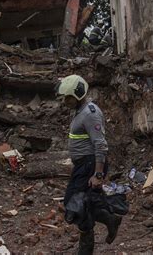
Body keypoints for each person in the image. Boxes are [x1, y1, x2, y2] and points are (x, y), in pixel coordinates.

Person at [57, 75, 122, 254]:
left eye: (68, 97)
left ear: (77, 95)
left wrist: (98, 174)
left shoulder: (90, 113)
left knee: (74, 204)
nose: (65, 101)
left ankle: (85, 248)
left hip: (90, 165)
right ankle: (110, 219)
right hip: (83, 165)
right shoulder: (80, 111)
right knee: (88, 202)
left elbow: (100, 144)